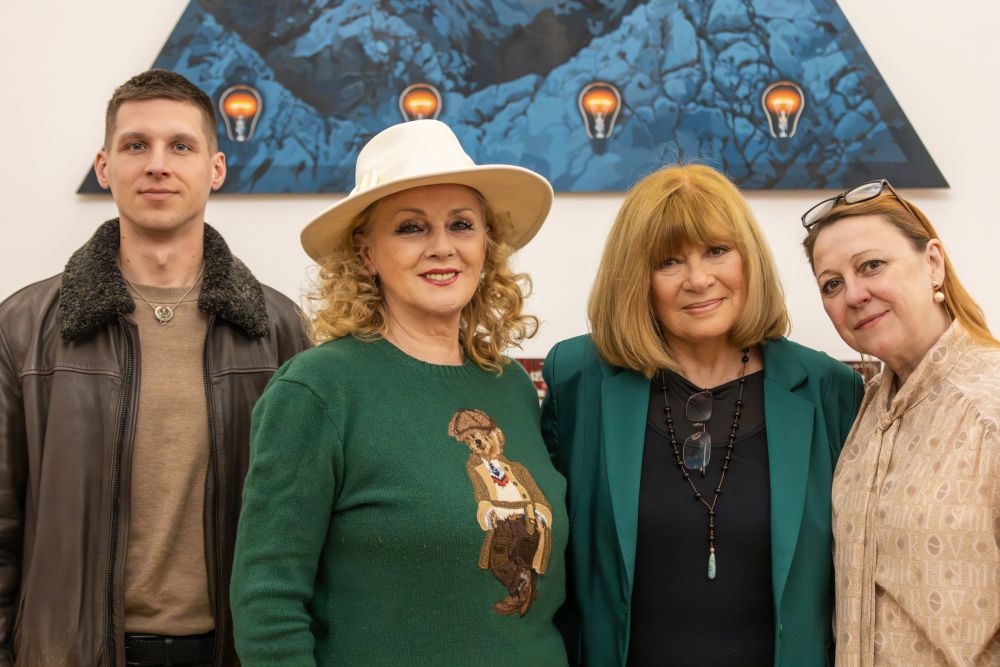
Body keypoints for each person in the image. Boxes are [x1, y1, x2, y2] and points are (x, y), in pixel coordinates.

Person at [230, 119, 568, 665]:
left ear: (485, 245)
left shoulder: (511, 386)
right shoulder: (316, 391)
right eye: (411, 228)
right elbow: (268, 603)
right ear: (367, 253)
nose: (442, 247)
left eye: (461, 225)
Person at [0, 69, 308, 666]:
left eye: (181, 146)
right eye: (136, 145)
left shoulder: (280, 330)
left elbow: (307, 527)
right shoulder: (22, 328)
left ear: (216, 168)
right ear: (104, 167)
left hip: (235, 652)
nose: (158, 165)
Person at [541, 164, 863, 666]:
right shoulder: (577, 378)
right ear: (636, 278)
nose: (698, 279)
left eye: (716, 250)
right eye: (668, 261)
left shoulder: (829, 389)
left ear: (749, 259)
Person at [802, 179, 1000, 666]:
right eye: (832, 284)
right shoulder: (866, 410)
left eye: (871, 265)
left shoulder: (989, 408)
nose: (854, 294)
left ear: (933, 263)